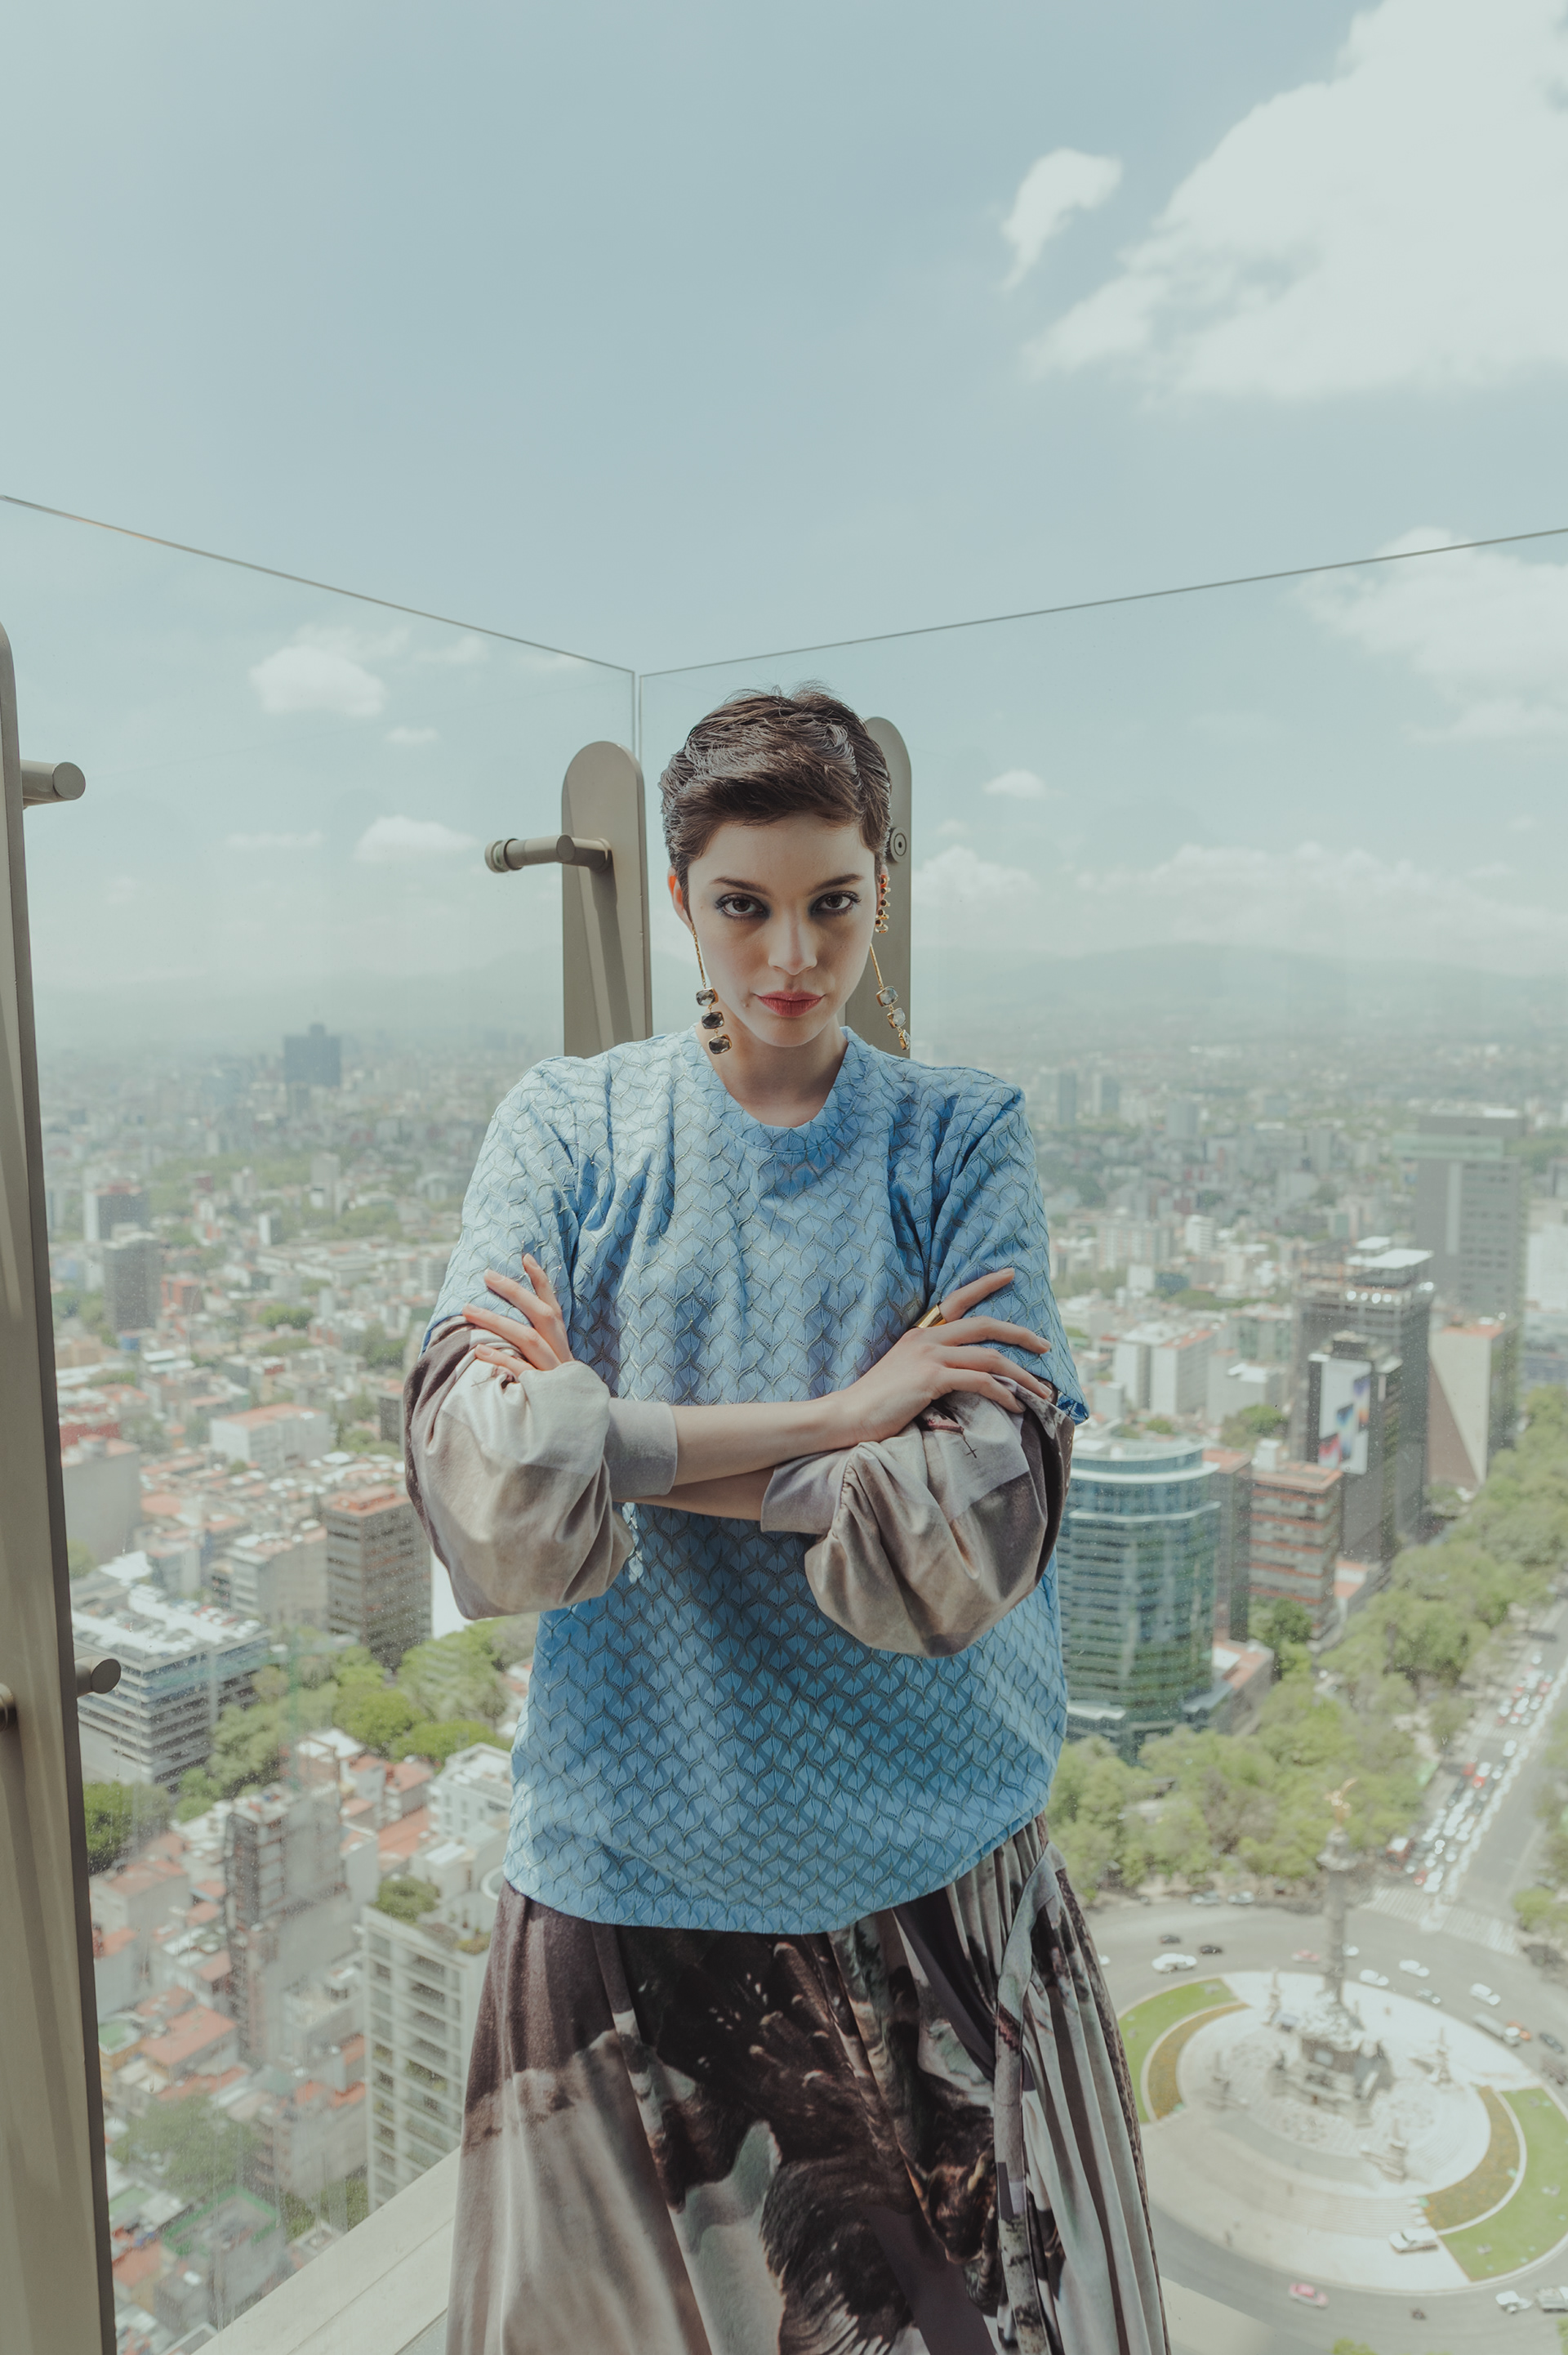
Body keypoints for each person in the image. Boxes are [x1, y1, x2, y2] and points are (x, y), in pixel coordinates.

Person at [405, 689, 1167, 2355]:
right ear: (681, 899)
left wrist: (611, 1438)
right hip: (630, 1880)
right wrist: (841, 1420)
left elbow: (969, 1530)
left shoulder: (959, 1134)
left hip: (932, 1882)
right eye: (744, 904)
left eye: (833, 901)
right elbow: (485, 1492)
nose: (792, 955)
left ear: (884, 889)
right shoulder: (571, 1126)